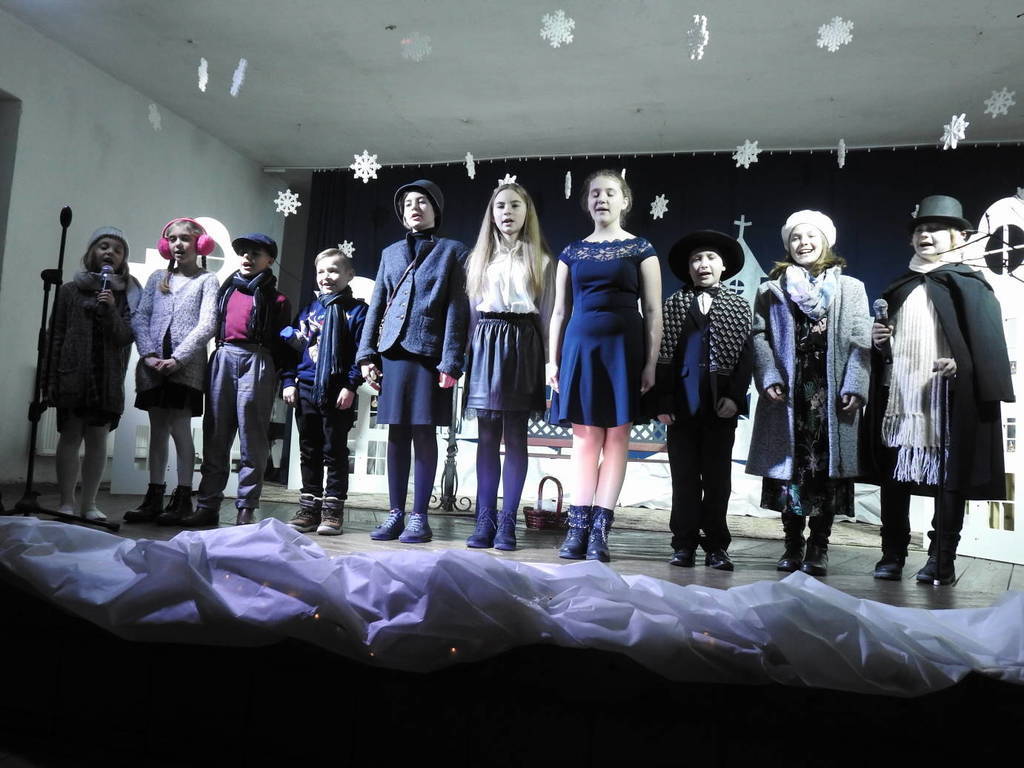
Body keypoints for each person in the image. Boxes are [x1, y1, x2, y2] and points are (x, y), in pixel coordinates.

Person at [867, 195, 1013, 585]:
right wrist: (880, 343)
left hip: (948, 398)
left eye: (935, 229)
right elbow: (888, 346)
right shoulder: (900, 285)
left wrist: (961, 364)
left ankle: (940, 559)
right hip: (901, 398)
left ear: (958, 237)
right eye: (920, 229)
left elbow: (986, 343)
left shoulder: (968, 283)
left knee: (949, 481)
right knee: (894, 477)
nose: (925, 236)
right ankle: (892, 553)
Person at [747, 210, 870, 577]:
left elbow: (861, 341)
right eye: (796, 237)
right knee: (791, 470)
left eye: (811, 236)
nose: (803, 243)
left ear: (826, 241)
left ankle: (819, 544)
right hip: (789, 392)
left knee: (825, 471)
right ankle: (792, 543)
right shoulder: (772, 289)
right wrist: (768, 375)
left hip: (831, 394)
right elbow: (758, 336)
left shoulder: (851, 288)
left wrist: (855, 384)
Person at [547, 169, 662, 562]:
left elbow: (653, 310)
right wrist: (551, 360)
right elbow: (559, 311)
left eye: (610, 193)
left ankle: (600, 530)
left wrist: (650, 363)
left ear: (624, 201)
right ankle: (577, 527)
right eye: (595, 193)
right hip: (581, 347)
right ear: (587, 202)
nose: (602, 199)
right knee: (584, 438)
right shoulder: (571, 252)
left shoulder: (641, 249)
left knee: (616, 437)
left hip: (624, 348)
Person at [357, 180, 469, 544]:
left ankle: (420, 516)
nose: (414, 208)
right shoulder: (390, 253)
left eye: (422, 202)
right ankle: (395, 514)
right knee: (396, 432)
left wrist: (451, 361)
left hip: (429, 354)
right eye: (408, 204)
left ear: (436, 209)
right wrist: (366, 354)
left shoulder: (454, 251)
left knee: (423, 431)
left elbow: (457, 309)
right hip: (392, 353)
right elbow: (377, 304)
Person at [463, 183, 554, 551]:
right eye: (500, 206)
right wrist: (465, 359)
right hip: (486, 341)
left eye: (515, 205)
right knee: (486, 436)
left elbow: (547, 317)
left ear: (526, 212)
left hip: (523, 343)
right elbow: (471, 318)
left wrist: (550, 362)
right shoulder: (477, 259)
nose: (507, 212)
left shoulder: (542, 261)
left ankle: (507, 523)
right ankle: (484, 521)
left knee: (516, 435)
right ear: (492, 214)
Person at [656, 231, 752, 571]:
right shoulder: (672, 306)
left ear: (723, 266)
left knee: (717, 480)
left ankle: (716, 545)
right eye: (696, 259)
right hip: (681, 406)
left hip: (718, 406)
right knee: (683, 479)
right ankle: (683, 544)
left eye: (710, 258)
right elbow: (660, 357)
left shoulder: (738, 308)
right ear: (688, 268)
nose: (703, 264)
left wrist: (734, 398)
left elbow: (745, 360)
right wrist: (663, 401)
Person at [189, 233, 294, 527]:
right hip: (224, 357)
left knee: (253, 436)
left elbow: (283, 346)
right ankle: (208, 503)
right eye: (244, 252)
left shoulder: (277, 300)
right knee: (216, 433)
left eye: (255, 253)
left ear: (269, 260)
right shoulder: (226, 291)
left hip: (257, 359)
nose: (247, 257)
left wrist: (283, 377)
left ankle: (246, 505)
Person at [124, 218, 219, 525]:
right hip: (153, 369)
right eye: (173, 239)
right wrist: (149, 355)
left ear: (200, 244)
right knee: (157, 432)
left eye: (185, 239)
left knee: (180, 429)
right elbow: (140, 318)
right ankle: (154, 496)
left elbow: (207, 324)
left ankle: (183, 497)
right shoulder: (157, 278)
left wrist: (178, 359)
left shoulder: (207, 280)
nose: (178, 244)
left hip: (185, 369)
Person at [47, 227, 141, 520]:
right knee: (70, 436)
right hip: (73, 375)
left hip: (106, 379)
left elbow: (125, 336)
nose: (110, 252)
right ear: (91, 252)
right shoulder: (69, 290)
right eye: (104, 246)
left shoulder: (127, 294)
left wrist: (111, 308)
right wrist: (50, 378)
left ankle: (89, 504)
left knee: (98, 440)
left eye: (117, 249)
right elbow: (56, 334)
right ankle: (66, 502)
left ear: (123, 259)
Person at [281, 248, 367, 535]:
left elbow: (362, 353)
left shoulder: (358, 312)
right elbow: (292, 350)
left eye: (333, 270)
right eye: (321, 271)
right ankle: (309, 508)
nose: (326, 276)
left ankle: (332, 511)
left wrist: (350, 385)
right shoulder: (308, 311)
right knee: (309, 449)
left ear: (349, 275)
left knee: (335, 450)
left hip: (337, 391)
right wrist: (289, 381)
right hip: (305, 387)